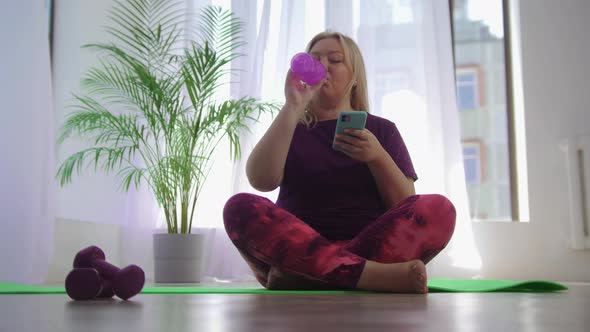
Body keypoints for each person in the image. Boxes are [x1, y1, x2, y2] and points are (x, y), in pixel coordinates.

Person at [223, 31, 456, 293]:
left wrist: (378, 157)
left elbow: (404, 205)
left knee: (440, 209)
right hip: (298, 245)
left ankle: (307, 275)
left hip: (367, 248)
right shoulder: (290, 127)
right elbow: (261, 181)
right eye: (314, 59)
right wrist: (292, 106)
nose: (322, 66)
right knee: (238, 207)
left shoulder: (382, 130)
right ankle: (371, 277)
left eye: (334, 60)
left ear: (355, 77)